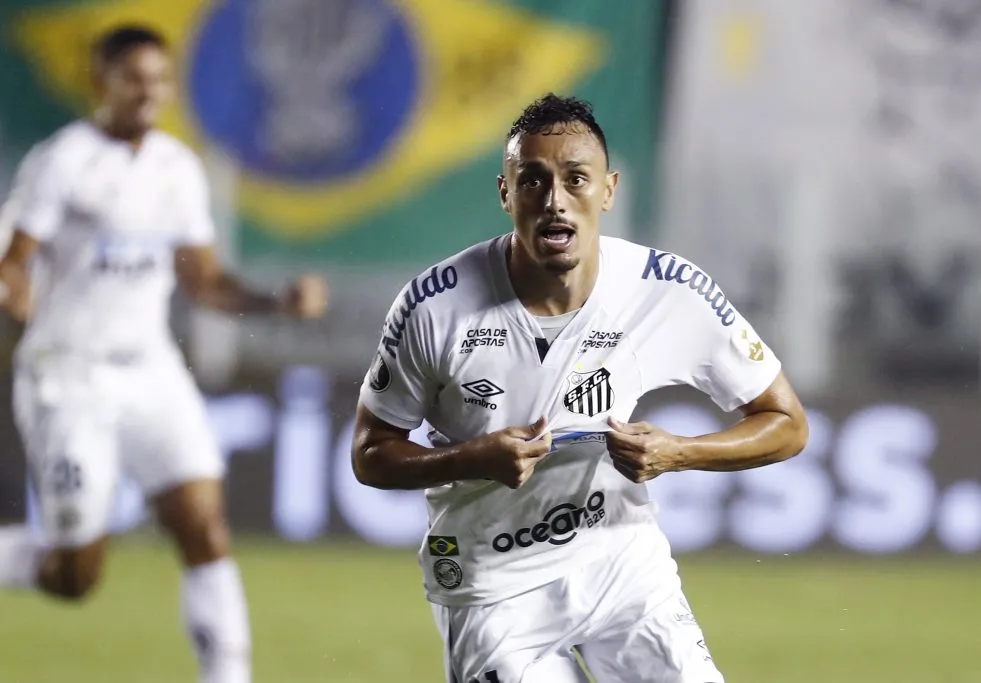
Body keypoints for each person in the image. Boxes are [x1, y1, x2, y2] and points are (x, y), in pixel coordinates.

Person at [351, 93, 809, 683]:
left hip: (622, 569)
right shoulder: (434, 307)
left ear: (609, 190)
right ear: (505, 193)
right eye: (534, 181)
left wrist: (679, 452)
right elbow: (370, 454)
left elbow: (788, 423)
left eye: (576, 179)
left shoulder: (668, 290)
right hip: (492, 587)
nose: (555, 202)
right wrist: (471, 459)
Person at [0, 25, 327, 683]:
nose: (150, 91)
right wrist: (15, 299)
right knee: (74, 575)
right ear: (103, 82)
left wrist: (274, 300)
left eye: (159, 79)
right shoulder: (64, 160)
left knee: (203, 522)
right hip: (69, 374)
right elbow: (14, 261)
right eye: (134, 78)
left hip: (151, 368)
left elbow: (203, 279)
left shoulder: (177, 168)